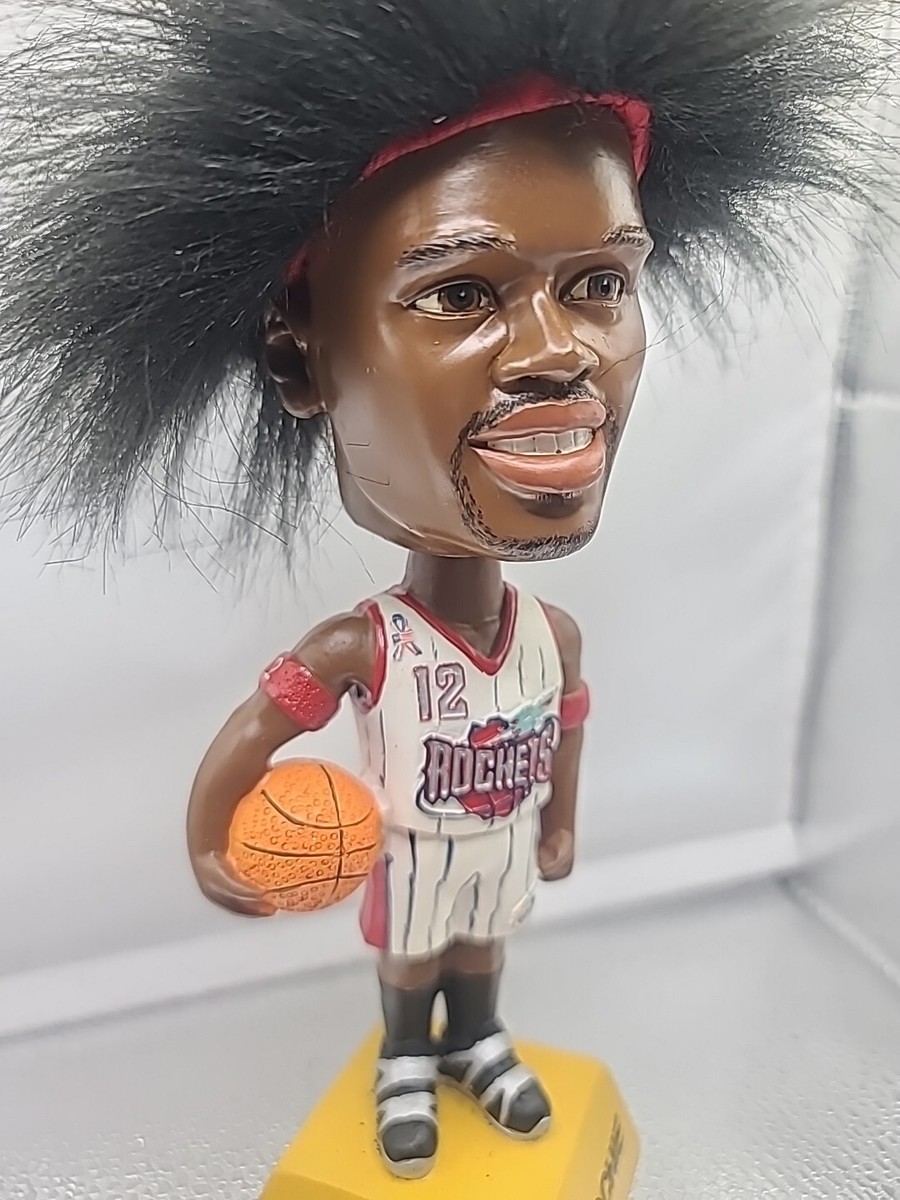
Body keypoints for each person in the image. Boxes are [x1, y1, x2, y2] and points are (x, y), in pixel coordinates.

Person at [0, 0, 890, 1182]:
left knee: (486, 946)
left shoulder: (551, 636)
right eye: (462, 294)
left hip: (499, 839)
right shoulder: (363, 649)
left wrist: (560, 821)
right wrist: (213, 839)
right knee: (414, 954)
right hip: (414, 848)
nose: (558, 350)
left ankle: (478, 1042)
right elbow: (258, 731)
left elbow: (567, 726)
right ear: (299, 351)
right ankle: (405, 1061)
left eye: (600, 283)